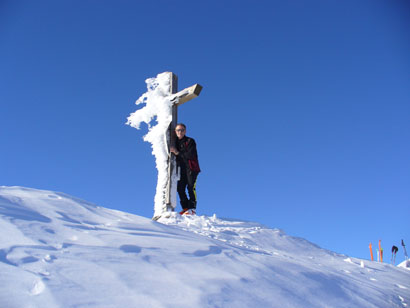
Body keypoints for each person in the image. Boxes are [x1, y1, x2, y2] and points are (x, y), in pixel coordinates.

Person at [170, 123, 200, 215]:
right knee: (180, 188)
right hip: (181, 169)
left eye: (182, 130)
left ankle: (192, 208)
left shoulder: (190, 141)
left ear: (185, 131)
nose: (180, 132)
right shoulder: (175, 142)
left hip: (192, 168)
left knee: (191, 187)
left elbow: (190, 155)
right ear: (175, 132)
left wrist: (177, 152)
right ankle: (185, 208)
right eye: (178, 130)